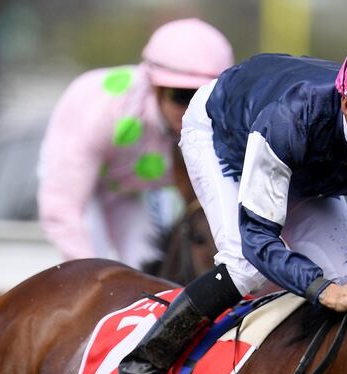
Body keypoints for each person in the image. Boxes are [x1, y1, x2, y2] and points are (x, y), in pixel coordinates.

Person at [101, 33, 347, 374]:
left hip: (307, 168)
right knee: (244, 266)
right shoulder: (292, 119)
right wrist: (318, 288)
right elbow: (259, 240)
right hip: (226, 136)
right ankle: (137, 372)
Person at [37, 18, 234, 269]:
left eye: (204, 97)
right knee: (95, 266)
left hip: (127, 192)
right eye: (182, 95)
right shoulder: (102, 110)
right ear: (155, 87)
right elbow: (61, 210)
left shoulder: (219, 127)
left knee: (145, 270)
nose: (191, 110)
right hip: (78, 186)